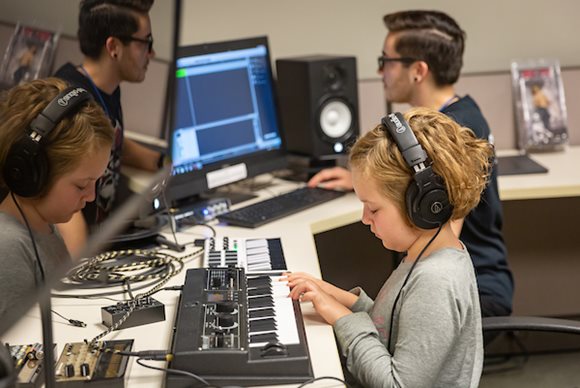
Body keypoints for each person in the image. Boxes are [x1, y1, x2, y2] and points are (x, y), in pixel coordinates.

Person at [308, 10, 514, 321]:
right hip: (464, 280)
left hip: (469, 290)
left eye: (386, 61)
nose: (381, 72)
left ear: (418, 70)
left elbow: (440, 236)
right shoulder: (451, 121)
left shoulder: (455, 130)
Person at [287, 108, 490, 387]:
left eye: (373, 208)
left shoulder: (436, 281)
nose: (364, 219)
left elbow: (396, 384)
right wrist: (328, 294)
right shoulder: (425, 256)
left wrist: (342, 318)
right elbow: (389, 326)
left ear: (421, 206)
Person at [54, 0, 162, 255]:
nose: (152, 54)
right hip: (84, 255)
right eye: (146, 43)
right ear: (113, 47)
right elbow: (60, 199)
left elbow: (114, 141)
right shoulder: (71, 102)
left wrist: (163, 161)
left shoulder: (105, 89)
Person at [0, 78, 114, 317]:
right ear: (33, 176)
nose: (91, 197)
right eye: (82, 185)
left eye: (96, 182)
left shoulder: (45, 224)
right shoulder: (8, 249)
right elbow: (17, 350)